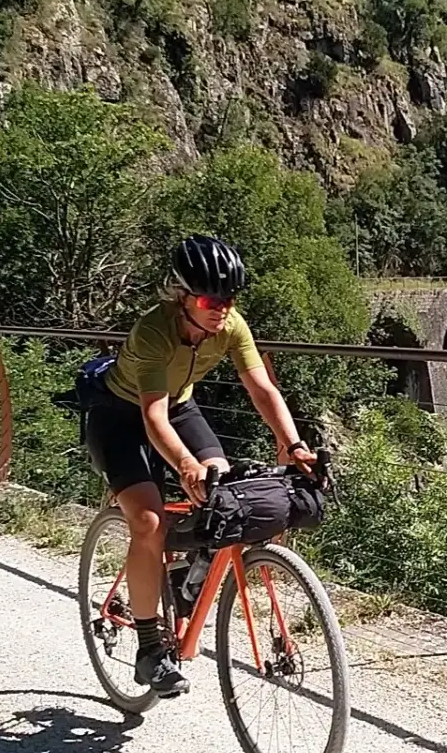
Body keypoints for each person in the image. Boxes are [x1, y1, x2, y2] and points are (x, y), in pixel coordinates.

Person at [85, 235, 316, 697]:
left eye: (229, 300)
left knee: (226, 493)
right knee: (149, 521)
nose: (222, 310)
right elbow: (151, 417)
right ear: (183, 295)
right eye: (211, 299)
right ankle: (150, 647)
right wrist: (186, 466)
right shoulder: (155, 330)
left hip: (180, 409)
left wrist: (293, 446)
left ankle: (185, 578)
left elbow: (263, 390)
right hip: (121, 416)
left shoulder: (231, 326)